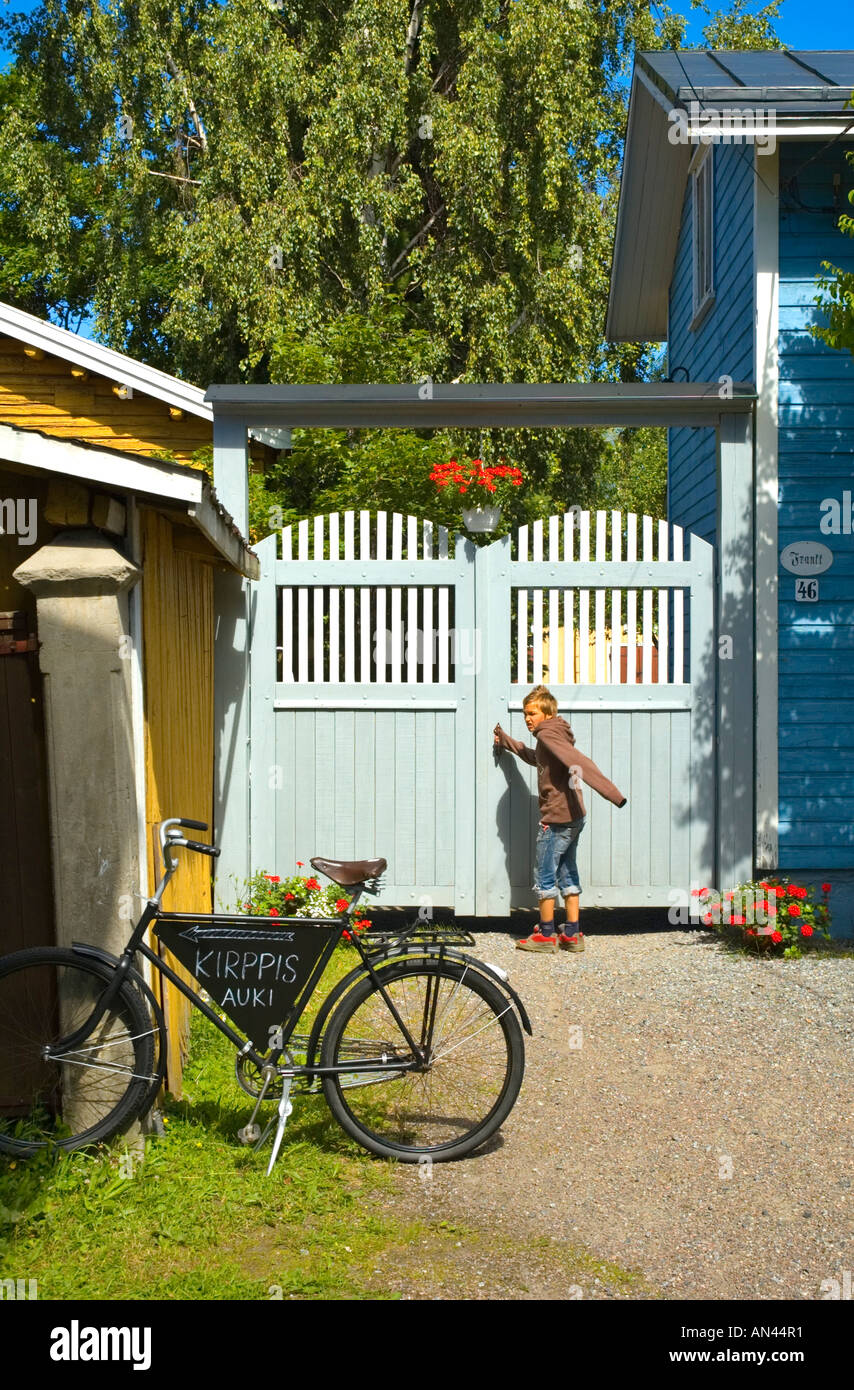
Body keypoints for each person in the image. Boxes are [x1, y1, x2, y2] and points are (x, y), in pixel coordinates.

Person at [493, 685, 627, 953]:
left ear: (547, 712)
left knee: (544, 875)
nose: (528, 718)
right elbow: (535, 758)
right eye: (525, 714)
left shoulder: (548, 735)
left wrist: (613, 794)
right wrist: (506, 741)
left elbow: (580, 763)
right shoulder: (552, 735)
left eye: (532, 713)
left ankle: (545, 935)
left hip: (556, 819)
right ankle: (573, 933)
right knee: (567, 872)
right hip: (574, 817)